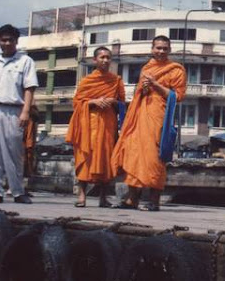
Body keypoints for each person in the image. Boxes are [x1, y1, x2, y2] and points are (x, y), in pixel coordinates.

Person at [111, 35, 186, 211]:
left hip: (159, 117)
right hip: (140, 115)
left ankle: (154, 201)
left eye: (164, 48)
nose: (161, 51)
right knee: (133, 153)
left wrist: (155, 85)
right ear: (152, 49)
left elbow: (177, 96)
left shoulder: (176, 70)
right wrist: (144, 89)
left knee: (154, 158)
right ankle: (132, 200)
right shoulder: (147, 67)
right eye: (158, 48)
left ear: (170, 50)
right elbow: (139, 93)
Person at [0, 24, 38, 204]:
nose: (7, 43)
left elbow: (29, 88)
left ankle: (18, 191)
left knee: (13, 151)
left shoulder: (25, 61)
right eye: (4, 40)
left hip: (13, 109)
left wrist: (25, 111)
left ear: (16, 41)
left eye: (11, 39)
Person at [66, 47, 125, 208]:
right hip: (89, 124)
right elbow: (77, 103)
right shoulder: (86, 81)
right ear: (95, 60)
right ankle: (82, 196)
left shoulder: (116, 80)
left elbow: (122, 103)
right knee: (85, 157)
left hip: (108, 124)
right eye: (102, 57)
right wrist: (93, 102)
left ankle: (103, 198)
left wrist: (113, 102)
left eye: (108, 58)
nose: (105, 60)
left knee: (106, 159)